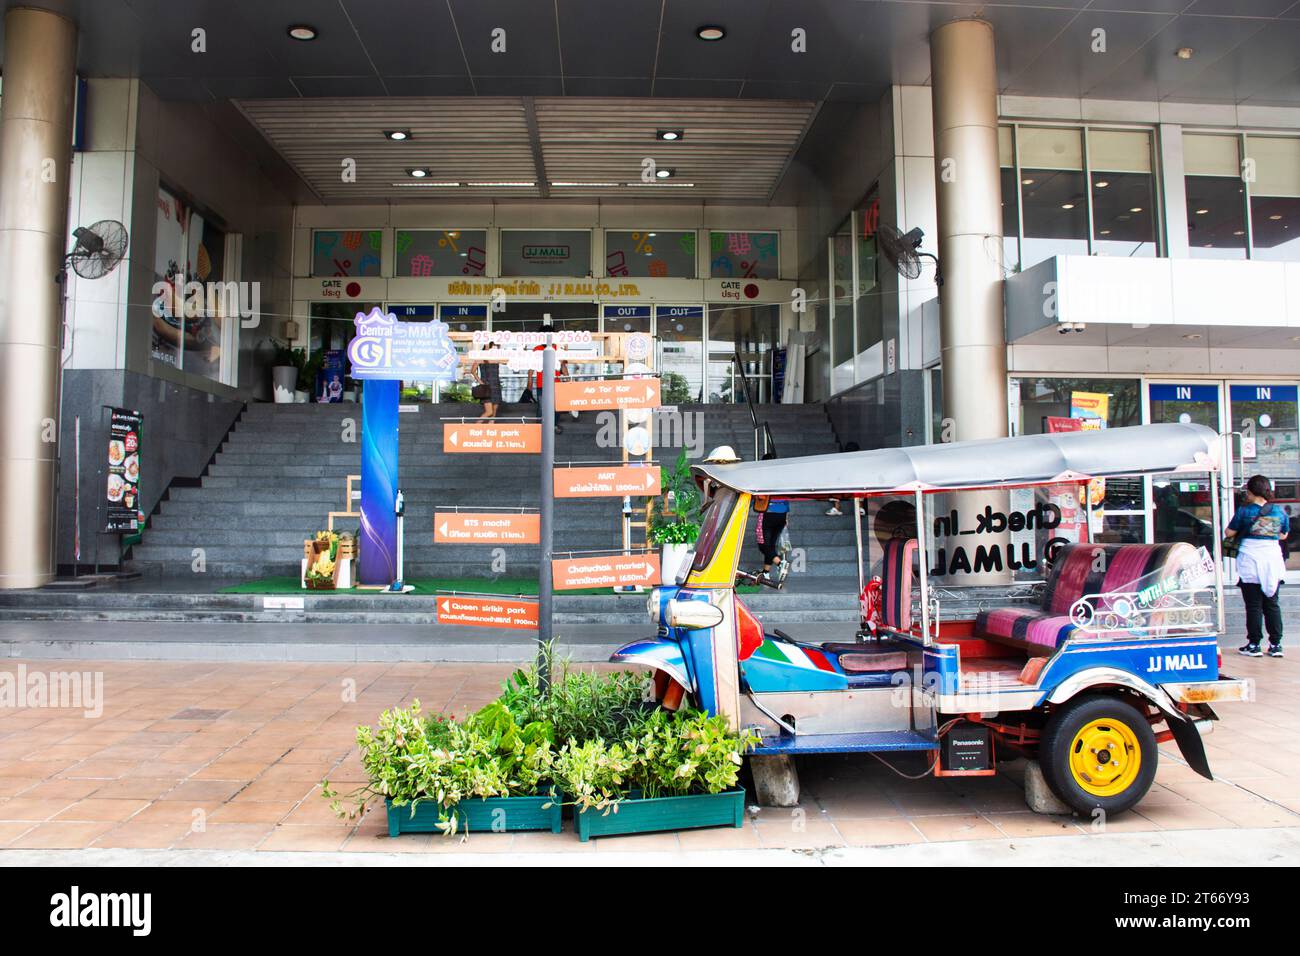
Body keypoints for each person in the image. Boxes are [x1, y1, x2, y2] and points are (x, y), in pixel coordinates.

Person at [1225, 474, 1288, 658]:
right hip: (1272, 561)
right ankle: (1276, 645)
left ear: (1250, 492)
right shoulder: (1279, 511)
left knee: (1253, 605)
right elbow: (1283, 535)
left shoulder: (1244, 511)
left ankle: (1254, 644)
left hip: (1250, 560)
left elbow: (1229, 532)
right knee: (1272, 603)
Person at [472, 340, 501, 419]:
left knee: (493, 414)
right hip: (486, 386)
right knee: (489, 412)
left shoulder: (497, 358)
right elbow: (473, 371)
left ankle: (490, 430)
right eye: (494, 347)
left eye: (497, 347)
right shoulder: (481, 357)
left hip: (496, 385)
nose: (496, 349)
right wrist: (481, 382)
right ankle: (473, 428)